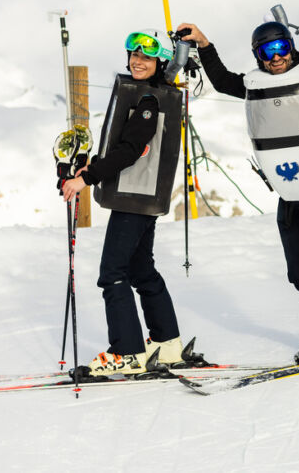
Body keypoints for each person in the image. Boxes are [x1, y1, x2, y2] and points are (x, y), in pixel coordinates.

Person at [175, 10, 299, 367]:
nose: (275, 57)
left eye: (280, 48)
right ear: (257, 56)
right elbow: (220, 80)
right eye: (266, 52)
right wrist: (203, 43)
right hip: (290, 191)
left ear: (291, 47)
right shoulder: (257, 83)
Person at [60, 29, 187, 376]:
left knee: (112, 274)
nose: (136, 61)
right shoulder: (152, 94)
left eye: (146, 57)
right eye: (133, 55)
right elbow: (124, 147)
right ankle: (166, 343)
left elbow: (131, 149)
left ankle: (127, 353)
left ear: (160, 61)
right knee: (140, 269)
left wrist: (85, 178)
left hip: (134, 197)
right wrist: (94, 166)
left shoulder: (148, 101)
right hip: (142, 195)